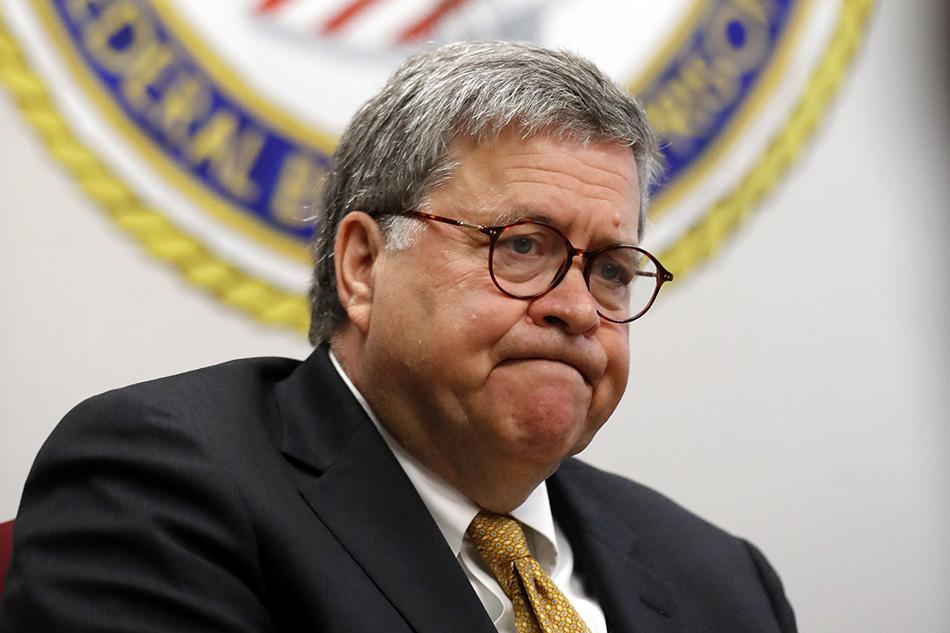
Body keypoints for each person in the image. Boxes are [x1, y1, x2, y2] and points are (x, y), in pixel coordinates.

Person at [0, 41, 796, 632]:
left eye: (612, 269)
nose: (579, 308)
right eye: (522, 246)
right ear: (362, 265)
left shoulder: (724, 584)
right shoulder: (163, 485)